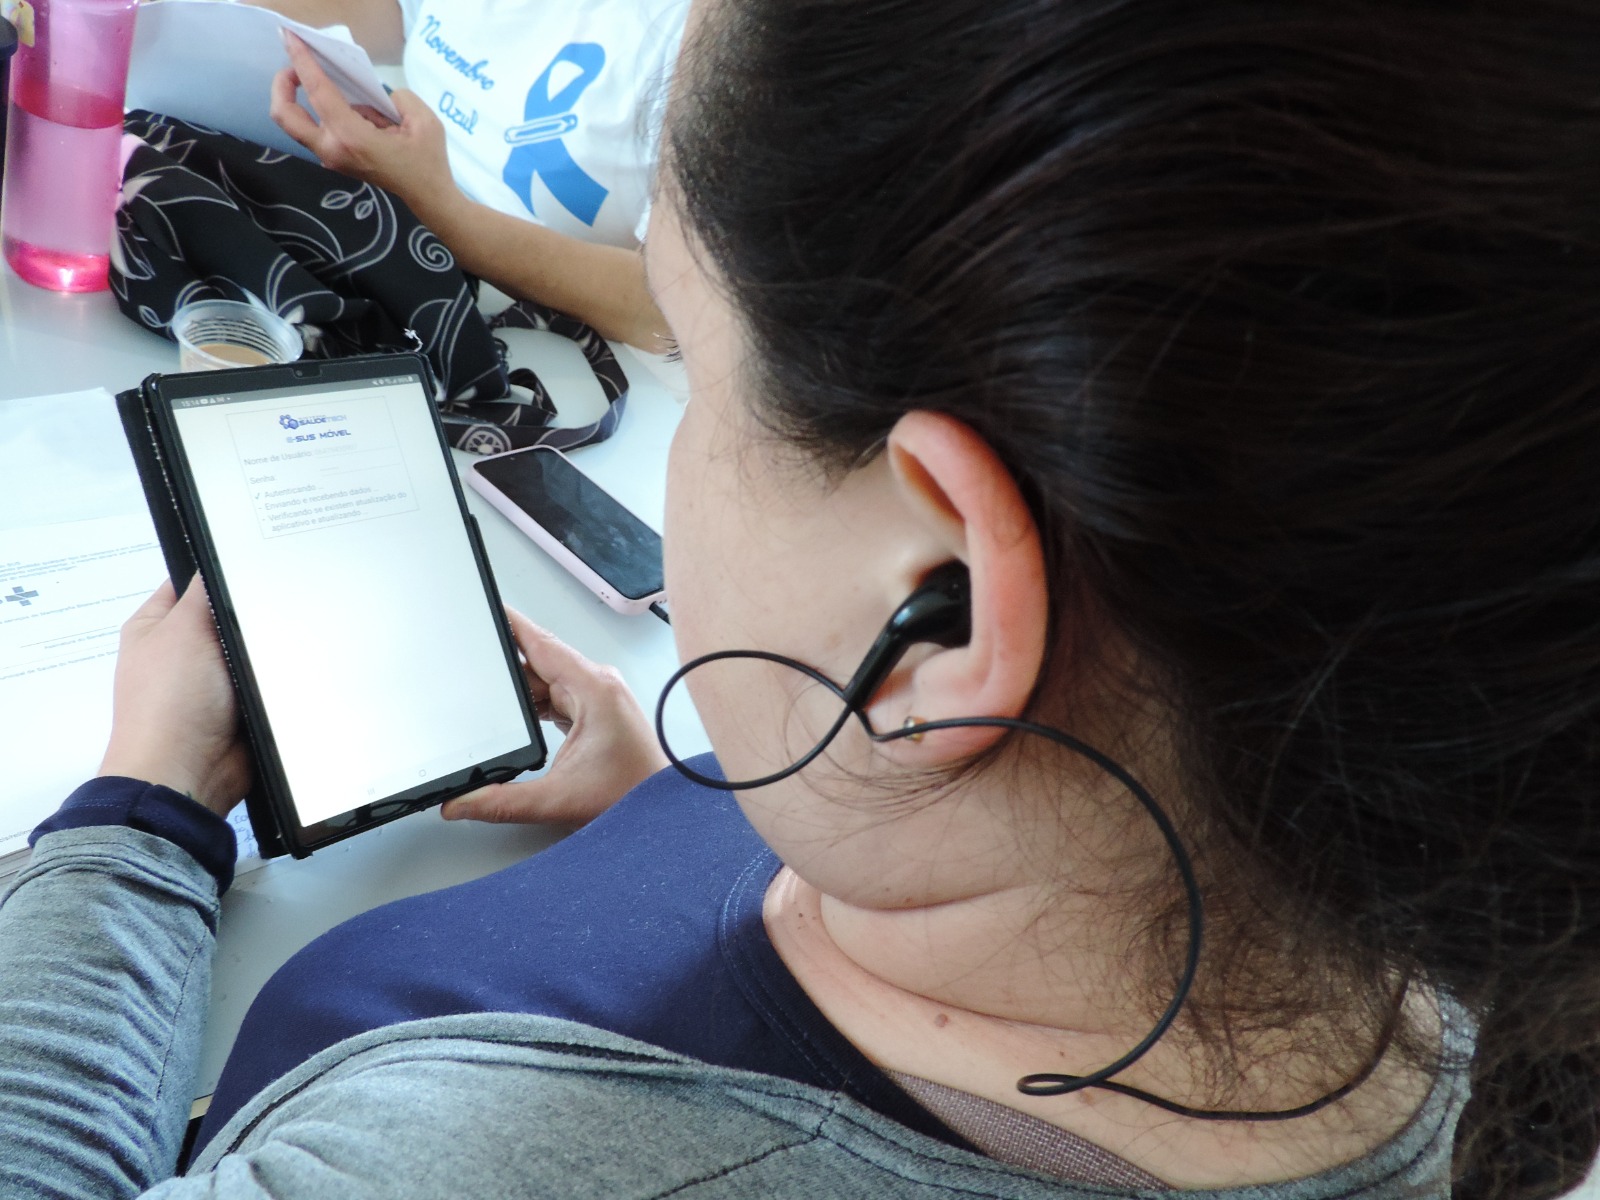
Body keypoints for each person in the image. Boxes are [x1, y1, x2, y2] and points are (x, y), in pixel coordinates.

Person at [2, 0, 1598, 1197]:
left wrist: (139, 812)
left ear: (943, 603)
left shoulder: (475, 1169)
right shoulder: (1461, 931)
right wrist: (681, 807)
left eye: (706, 369)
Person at [244, 0, 686, 349]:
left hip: (556, 335)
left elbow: (668, 311)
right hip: (388, 229)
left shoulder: (708, 48)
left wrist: (436, 208)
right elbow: (397, 13)